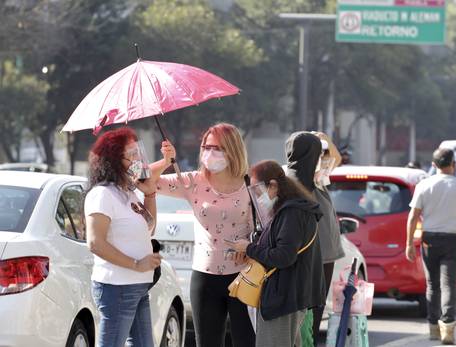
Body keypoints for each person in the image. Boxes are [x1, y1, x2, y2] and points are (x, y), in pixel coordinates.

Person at [150, 123, 255, 347]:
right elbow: (142, 181)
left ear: (233, 150)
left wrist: (250, 247)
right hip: (205, 278)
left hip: (244, 276)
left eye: (217, 148)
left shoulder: (251, 184)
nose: (209, 153)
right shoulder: (194, 181)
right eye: (206, 147)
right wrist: (165, 161)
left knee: (246, 342)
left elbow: (266, 229)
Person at [227, 160, 325, 347]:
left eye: (258, 190)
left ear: (273, 185)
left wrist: (248, 248)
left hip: (283, 298)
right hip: (289, 296)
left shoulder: (292, 213)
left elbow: (284, 256)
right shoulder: (291, 209)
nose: (257, 196)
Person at [85, 127, 161, 347]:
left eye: (139, 152)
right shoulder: (102, 194)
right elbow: (95, 243)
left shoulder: (127, 192)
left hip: (137, 285)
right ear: (115, 160)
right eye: (132, 154)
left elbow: (150, 227)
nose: (139, 159)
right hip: (117, 286)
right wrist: (136, 264)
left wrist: (149, 193)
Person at [405, 147, 456, 345]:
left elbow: (413, 217)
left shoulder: (424, 185)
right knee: (449, 285)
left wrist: (409, 244)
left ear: (433, 165)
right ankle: (448, 328)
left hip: (429, 239)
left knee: (432, 284)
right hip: (454, 240)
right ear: (453, 165)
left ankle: (433, 329)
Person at [310, 131, 346, 346]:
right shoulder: (296, 176)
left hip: (327, 251)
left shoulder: (320, 175)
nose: (322, 157)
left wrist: (326, 139)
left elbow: (338, 159)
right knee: (309, 303)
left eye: (323, 153)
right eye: (317, 152)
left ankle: (310, 339)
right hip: (310, 249)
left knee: (318, 302)